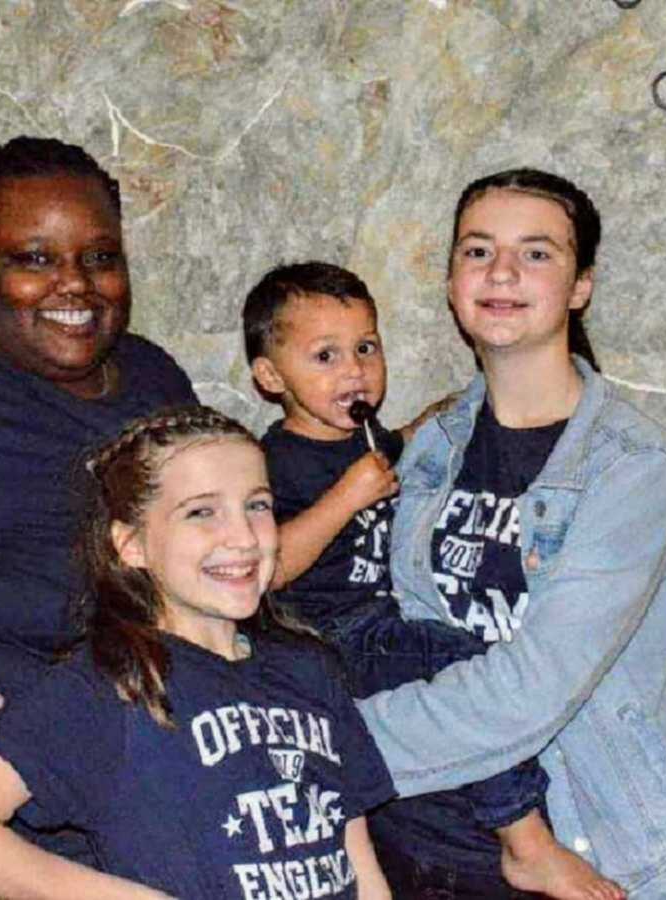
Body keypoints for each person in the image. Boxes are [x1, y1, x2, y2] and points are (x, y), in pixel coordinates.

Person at [351, 169, 666, 899]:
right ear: (451, 280)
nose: (501, 272)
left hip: (570, 843)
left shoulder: (632, 468)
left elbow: (534, 689)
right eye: (477, 251)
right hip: (415, 832)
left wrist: (332, 742)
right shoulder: (428, 448)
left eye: (536, 253)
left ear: (580, 285)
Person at [0, 404, 394, 899]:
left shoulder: (309, 669)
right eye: (202, 512)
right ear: (132, 545)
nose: (243, 537)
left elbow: (359, 864)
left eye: (258, 505)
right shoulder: (111, 682)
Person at [243, 261, 624, 900]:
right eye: (326, 355)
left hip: (381, 627)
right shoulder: (272, 460)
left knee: (466, 669)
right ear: (270, 376)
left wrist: (433, 424)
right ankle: (524, 841)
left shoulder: (366, 441)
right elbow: (267, 568)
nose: (355, 370)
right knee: (468, 665)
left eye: (366, 348)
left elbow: (401, 449)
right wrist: (347, 496)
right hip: (324, 641)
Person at [0, 136, 196, 895]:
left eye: (100, 257)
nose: (77, 286)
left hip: (125, 773)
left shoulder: (155, 380)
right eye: (33, 259)